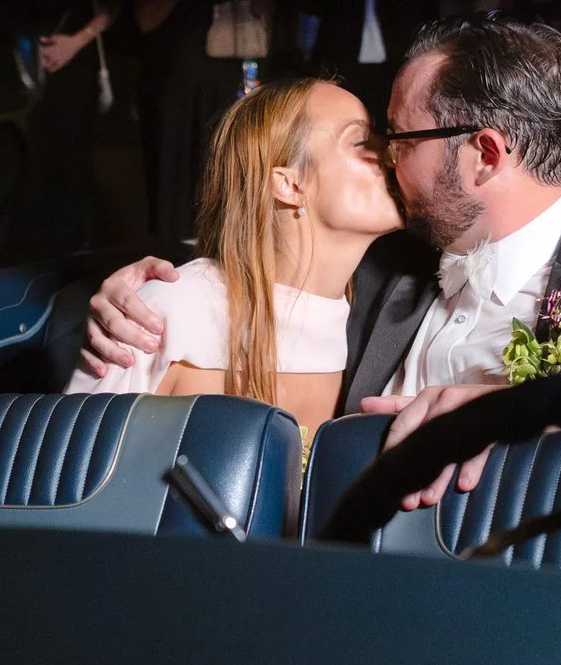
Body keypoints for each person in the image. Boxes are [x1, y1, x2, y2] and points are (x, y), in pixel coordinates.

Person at [81, 17, 561, 505]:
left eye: (401, 138)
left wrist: (534, 413)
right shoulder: (388, 241)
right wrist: (141, 289)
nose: (386, 158)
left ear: (485, 154)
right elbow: (267, 261)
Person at [67, 79, 401, 432]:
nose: (392, 154)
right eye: (361, 142)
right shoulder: (167, 311)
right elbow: (74, 454)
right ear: (290, 184)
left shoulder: (374, 312)